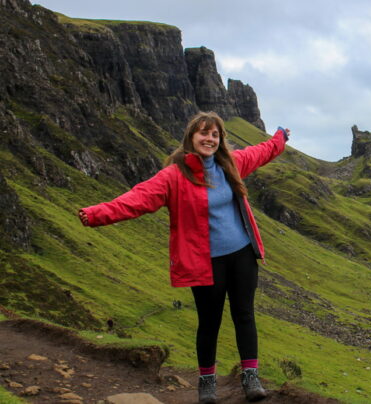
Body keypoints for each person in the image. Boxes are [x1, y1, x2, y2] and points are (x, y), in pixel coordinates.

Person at [79, 111, 289, 403]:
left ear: (221, 139)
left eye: (215, 135)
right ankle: (206, 382)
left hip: (242, 255)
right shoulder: (174, 175)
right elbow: (138, 199)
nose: (209, 139)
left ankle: (251, 378)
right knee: (209, 321)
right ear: (191, 137)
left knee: (244, 315)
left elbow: (261, 152)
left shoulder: (231, 164)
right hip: (205, 262)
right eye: (204, 133)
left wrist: (280, 137)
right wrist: (96, 214)